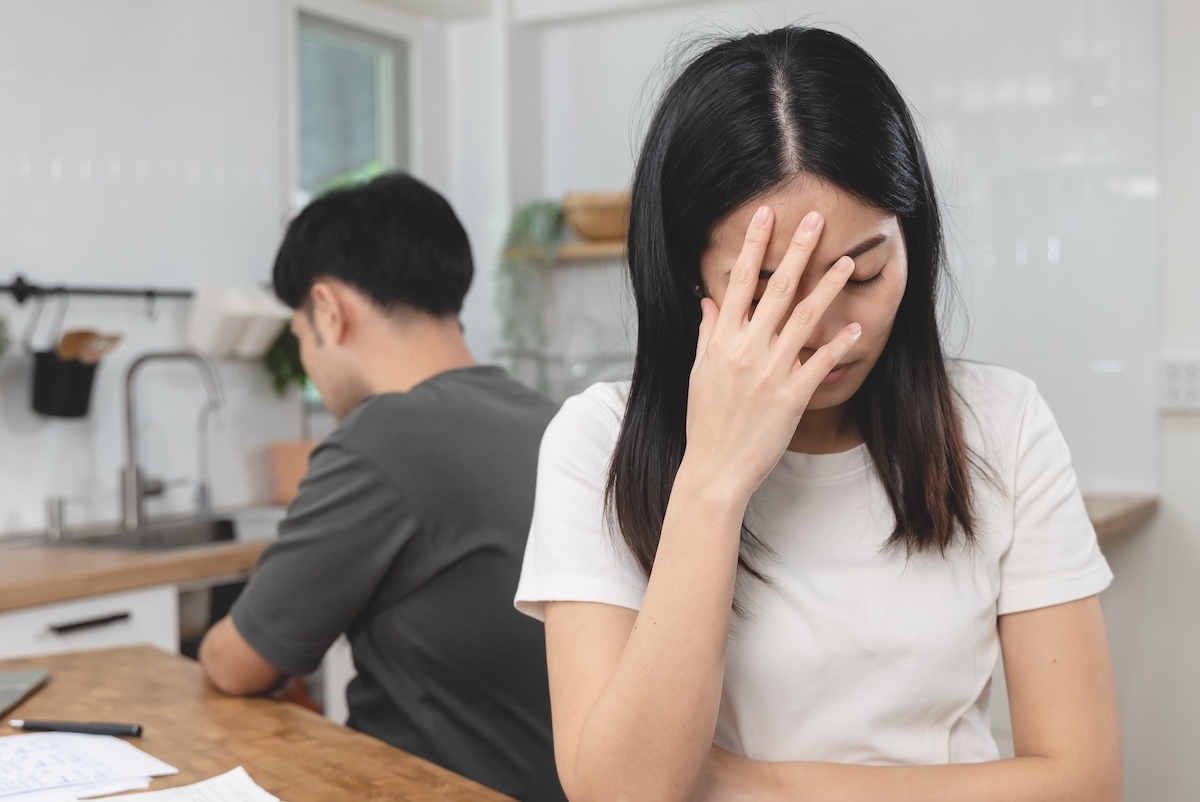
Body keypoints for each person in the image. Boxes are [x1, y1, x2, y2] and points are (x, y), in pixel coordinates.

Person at [514, 26, 1122, 802]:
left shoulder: (1001, 424)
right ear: (685, 273)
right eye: (772, 286)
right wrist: (715, 476)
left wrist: (739, 784)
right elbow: (622, 792)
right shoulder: (595, 443)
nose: (833, 331)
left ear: (914, 244)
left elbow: (1086, 782)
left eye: (862, 273)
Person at [200, 173, 565, 802]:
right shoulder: (553, 418)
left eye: (299, 336)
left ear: (328, 310)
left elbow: (237, 664)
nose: (309, 360)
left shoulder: (385, 434)